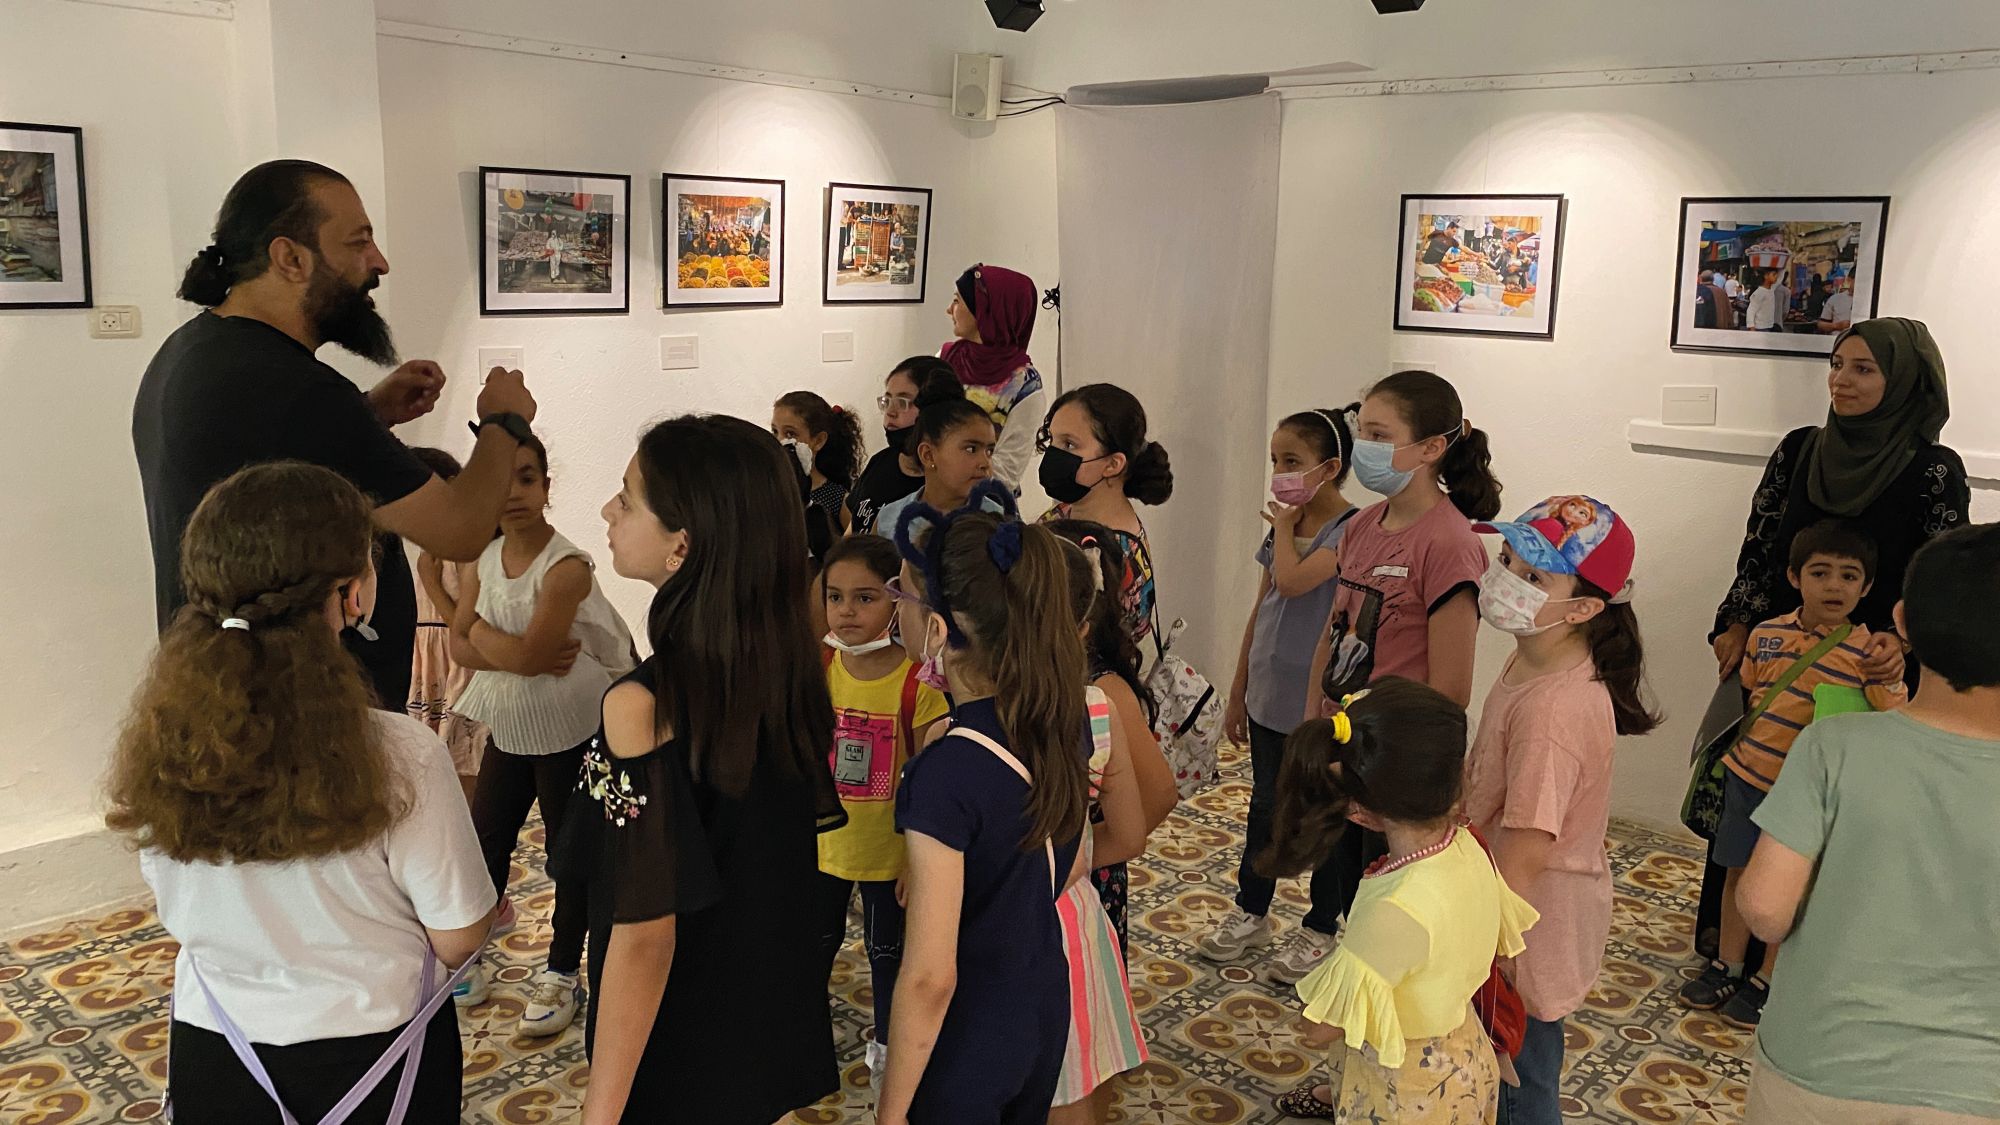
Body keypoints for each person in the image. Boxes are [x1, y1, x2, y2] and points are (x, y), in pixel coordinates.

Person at [106, 462, 496, 1123]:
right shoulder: (404, 754)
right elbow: (459, 937)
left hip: (216, 1043)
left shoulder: (163, 746)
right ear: (352, 596)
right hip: (378, 1052)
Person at [134, 159, 540, 707]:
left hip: (221, 688)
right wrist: (503, 421)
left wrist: (368, 412)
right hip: (303, 713)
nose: (379, 263)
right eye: (358, 242)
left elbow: (272, 467)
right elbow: (462, 530)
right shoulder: (296, 391)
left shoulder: (190, 350)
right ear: (291, 258)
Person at [569, 415, 843, 1125]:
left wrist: (599, 1112)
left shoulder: (643, 705)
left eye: (627, 498)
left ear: (682, 545)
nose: (608, 510)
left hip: (680, 1029)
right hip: (761, 1007)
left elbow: (644, 931)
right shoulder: (788, 668)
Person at [1703, 318, 1967, 960]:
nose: (1842, 380)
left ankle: (1799, 962)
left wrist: (1900, 647)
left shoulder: (1934, 470)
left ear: (1905, 380)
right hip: (1779, 657)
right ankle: (1729, 949)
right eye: (1837, 363)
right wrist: (1736, 623)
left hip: (1865, 674)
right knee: (1748, 803)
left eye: (1864, 369)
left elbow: (1939, 574)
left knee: (1833, 823)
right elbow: (1760, 547)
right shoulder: (1799, 450)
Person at [1738, 522, 2000, 1124]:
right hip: (1977, 1090)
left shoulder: (1834, 745)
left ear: (1902, 623)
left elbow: (1765, 909)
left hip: (1818, 1064)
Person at [878, 482, 1092, 1125]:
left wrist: (890, 1113)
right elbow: (1074, 864)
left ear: (939, 628)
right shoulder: (1061, 718)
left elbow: (930, 977)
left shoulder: (945, 773)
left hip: (965, 1039)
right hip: (1040, 1004)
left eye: (904, 602)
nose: (899, 615)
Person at [1287, 370, 1500, 986]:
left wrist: (1400, 772)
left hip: (1395, 767)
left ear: (1432, 447)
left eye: (1380, 435)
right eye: (1362, 432)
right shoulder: (1359, 525)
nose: (1366, 448)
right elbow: (1333, 635)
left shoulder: (1450, 543)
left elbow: (1451, 688)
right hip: (1347, 748)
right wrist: (1314, 725)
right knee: (1355, 900)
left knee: (1391, 915)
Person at [1461, 495, 1660, 1125]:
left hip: (1523, 925)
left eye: (1533, 576)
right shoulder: (1534, 652)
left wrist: (1473, 940)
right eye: (1507, 559)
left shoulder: (1555, 711)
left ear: (1583, 608)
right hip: (1506, 902)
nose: (1505, 581)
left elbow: (1526, 848)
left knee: (1521, 1078)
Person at [1262, 678, 1538, 1122]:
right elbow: (1502, 949)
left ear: (1360, 810)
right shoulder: (1471, 846)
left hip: (1407, 1089)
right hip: (1465, 1056)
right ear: (1458, 774)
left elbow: (1322, 1028)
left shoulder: (1396, 910)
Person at [1683, 520, 1908, 1029]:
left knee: (1792, 886)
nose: (1834, 586)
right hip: (1747, 777)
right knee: (1735, 870)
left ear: (1867, 587)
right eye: (1820, 572)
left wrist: (1890, 679)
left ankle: (1768, 976)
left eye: (1849, 576)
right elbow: (1750, 694)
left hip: (1807, 796)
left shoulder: (1868, 654)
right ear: (1793, 576)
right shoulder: (1765, 635)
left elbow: (1893, 712)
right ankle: (1729, 964)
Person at [448, 433, 637, 1034]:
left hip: (570, 723)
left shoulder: (567, 567)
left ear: (547, 488)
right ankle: (468, 956)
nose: (514, 493)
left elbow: (523, 655)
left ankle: (561, 974)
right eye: (501, 481)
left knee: (568, 854)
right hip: (512, 720)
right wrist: (504, 647)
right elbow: (464, 646)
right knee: (486, 839)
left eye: (527, 478)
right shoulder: (483, 556)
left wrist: (486, 636)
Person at [1201, 408, 1360, 964]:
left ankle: (1321, 925)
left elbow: (1293, 582)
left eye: (1292, 461)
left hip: (1318, 702)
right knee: (1265, 806)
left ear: (1331, 467)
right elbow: (1263, 604)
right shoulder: (1283, 530)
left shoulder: (1353, 532)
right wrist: (1240, 684)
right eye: (1275, 460)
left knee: (1323, 812)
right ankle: (1252, 909)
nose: (1279, 471)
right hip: (1269, 694)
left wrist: (1286, 529)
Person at [813, 534, 951, 1083]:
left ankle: (894, 1051)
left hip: (889, 855)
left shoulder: (918, 683)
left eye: (865, 597)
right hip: (824, 847)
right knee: (811, 946)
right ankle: (802, 1040)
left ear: (897, 600)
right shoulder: (820, 669)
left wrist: (918, 862)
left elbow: (930, 781)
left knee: (888, 955)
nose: (846, 611)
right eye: (835, 596)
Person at [1046, 534, 1152, 1125]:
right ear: (1083, 626)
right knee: (1077, 1080)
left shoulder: (961, 721)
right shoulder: (1096, 708)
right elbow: (1130, 834)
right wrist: (1072, 864)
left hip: (990, 926)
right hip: (1073, 920)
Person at [1046, 519, 1182, 954]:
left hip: (1084, 880)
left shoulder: (1103, 690)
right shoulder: (1033, 678)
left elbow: (1160, 794)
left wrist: (1083, 856)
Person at [1035, 383, 1174, 649]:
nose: (1054, 453)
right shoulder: (1065, 511)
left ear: (1112, 464)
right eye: (1053, 440)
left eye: (1069, 444)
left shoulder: (1119, 556)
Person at [409, 446, 490, 807]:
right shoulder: (407, 542)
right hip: (423, 665)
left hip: (459, 665)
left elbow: (466, 624)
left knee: (464, 766)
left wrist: (432, 582)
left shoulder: (466, 548)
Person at [942, 264, 1047, 492]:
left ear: (987, 311)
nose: (949, 309)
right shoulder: (946, 358)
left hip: (984, 510)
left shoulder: (1025, 386)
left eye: (958, 301)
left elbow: (1006, 472)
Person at [873, 378, 999, 540]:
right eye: (971, 449)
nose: (985, 463)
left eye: (989, 451)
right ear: (928, 455)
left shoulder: (1000, 522)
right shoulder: (889, 519)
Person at [850, 357, 953, 535]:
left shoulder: (945, 483)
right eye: (887, 401)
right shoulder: (881, 461)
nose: (890, 412)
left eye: (902, 403)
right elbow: (853, 531)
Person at [774, 389, 865, 532]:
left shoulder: (836, 498)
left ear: (818, 441)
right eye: (775, 432)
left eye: (790, 433)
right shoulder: (770, 488)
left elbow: (854, 547)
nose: (779, 441)